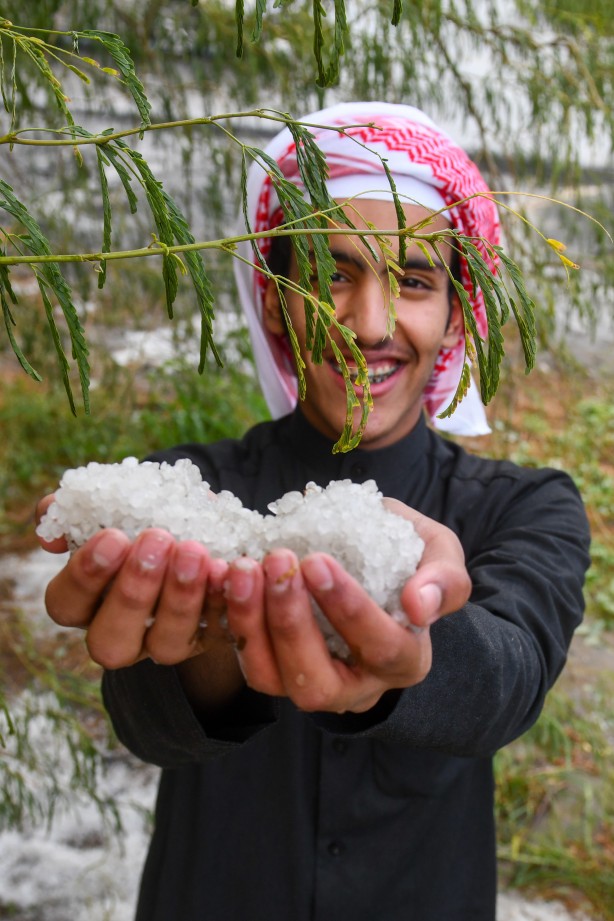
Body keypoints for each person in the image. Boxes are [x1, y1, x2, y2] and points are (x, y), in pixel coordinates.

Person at [37, 102, 590, 921]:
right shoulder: (182, 485)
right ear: (272, 305)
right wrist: (212, 639)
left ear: (453, 315)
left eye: (412, 279)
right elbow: (148, 727)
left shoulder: (527, 505)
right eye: (331, 274)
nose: (369, 325)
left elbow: (509, 678)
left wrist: (416, 638)